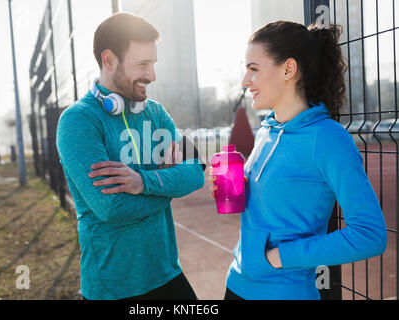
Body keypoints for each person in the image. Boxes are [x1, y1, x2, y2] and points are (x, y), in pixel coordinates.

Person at [208, 21, 387, 300]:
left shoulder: (328, 139)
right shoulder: (268, 129)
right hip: (237, 285)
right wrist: (237, 188)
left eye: (253, 69)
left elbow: (370, 235)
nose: (245, 81)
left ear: (288, 69)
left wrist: (281, 256)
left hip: (283, 293)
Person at [56, 13, 204, 300]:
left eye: (153, 64)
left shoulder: (156, 113)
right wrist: (168, 184)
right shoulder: (78, 122)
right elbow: (112, 208)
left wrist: (142, 182)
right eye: (142, 65)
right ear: (109, 60)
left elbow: (196, 171)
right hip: (113, 288)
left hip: (167, 273)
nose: (152, 75)